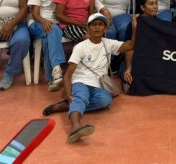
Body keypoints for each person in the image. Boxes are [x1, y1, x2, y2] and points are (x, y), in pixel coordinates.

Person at [42, 12, 137, 144]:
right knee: (81, 96)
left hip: (98, 84)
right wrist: (68, 94)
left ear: (105, 28)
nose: (97, 27)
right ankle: (75, 128)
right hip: (80, 81)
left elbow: (130, 46)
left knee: (105, 100)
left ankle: (66, 106)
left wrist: (134, 28)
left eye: (100, 25)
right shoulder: (80, 47)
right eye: (93, 25)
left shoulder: (108, 43)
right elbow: (68, 74)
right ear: (87, 28)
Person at [28, 0, 65, 91]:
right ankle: (56, 70)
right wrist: (44, 21)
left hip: (55, 24)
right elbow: (35, 14)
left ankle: (53, 77)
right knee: (53, 30)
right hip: (37, 22)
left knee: (48, 38)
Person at [121, 0, 158, 92]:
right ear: (142, 7)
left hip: (151, 59)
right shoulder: (134, 22)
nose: (155, 6)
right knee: (130, 85)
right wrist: (129, 68)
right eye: (151, 4)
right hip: (134, 59)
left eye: (156, 3)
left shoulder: (160, 23)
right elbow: (129, 47)